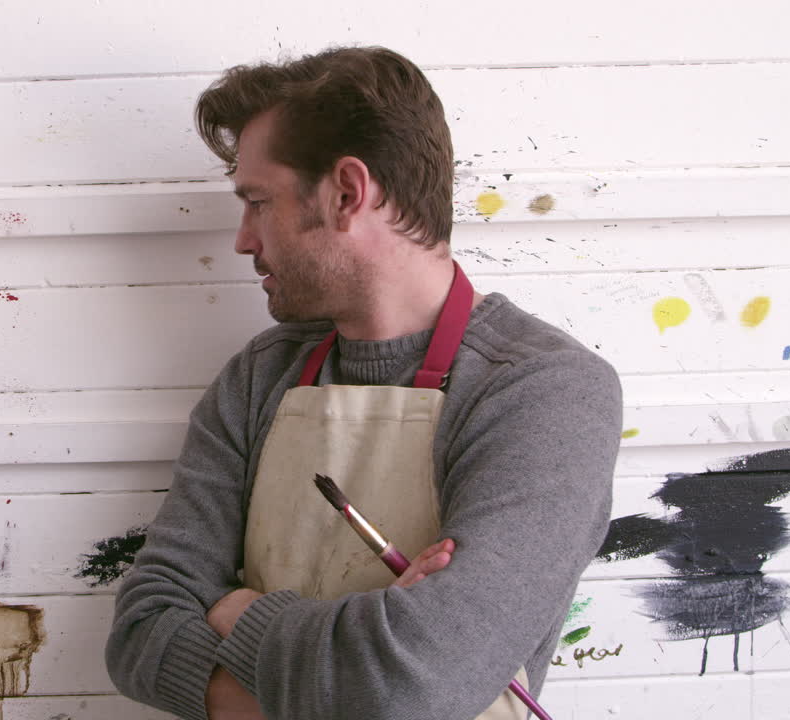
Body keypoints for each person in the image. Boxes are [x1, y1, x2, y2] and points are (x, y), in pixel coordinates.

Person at [105, 46, 621, 720]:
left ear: (347, 192)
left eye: (258, 202)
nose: (241, 239)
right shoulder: (259, 378)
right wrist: (359, 664)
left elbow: (415, 682)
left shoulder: (544, 392)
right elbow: (142, 632)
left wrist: (239, 609)